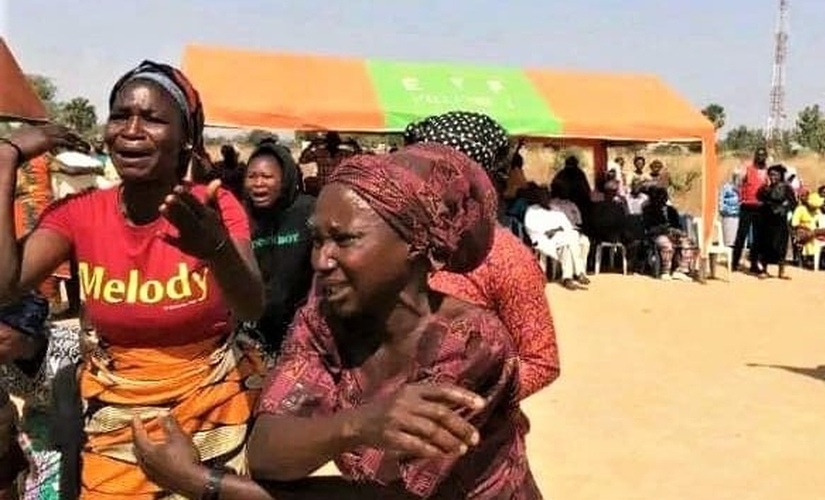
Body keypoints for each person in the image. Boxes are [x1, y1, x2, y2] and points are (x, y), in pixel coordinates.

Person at [131, 143, 543, 499]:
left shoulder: (471, 342)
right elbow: (267, 453)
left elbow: (384, 498)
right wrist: (355, 425)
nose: (320, 261)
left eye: (344, 239)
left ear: (418, 246)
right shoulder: (325, 319)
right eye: (317, 240)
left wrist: (201, 482)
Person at [0, 60, 266, 499]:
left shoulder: (211, 209)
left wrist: (215, 247)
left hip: (214, 412)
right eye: (121, 115)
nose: (132, 130)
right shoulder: (79, 213)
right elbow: (6, 284)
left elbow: (252, 305)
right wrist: (6, 157)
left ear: (185, 140)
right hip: (114, 425)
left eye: (154, 119)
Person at [406, 111, 559, 401]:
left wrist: (471, 404)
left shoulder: (505, 257)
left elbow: (540, 361)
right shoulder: (393, 237)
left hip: (470, 436)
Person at [240, 138, 315, 355]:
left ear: (284, 180)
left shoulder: (309, 211)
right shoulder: (241, 218)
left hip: (304, 335)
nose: (258, 183)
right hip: (257, 335)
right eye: (252, 176)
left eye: (267, 176)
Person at [525, 185, 590, 290]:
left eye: (547, 195)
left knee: (577, 240)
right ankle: (578, 272)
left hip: (561, 237)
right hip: (544, 239)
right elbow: (533, 230)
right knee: (570, 239)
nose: (545, 197)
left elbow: (567, 226)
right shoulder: (532, 211)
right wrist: (554, 231)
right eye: (542, 195)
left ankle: (568, 277)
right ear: (538, 197)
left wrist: (557, 230)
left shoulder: (555, 209)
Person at [642, 187, 697, 281]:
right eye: (660, 197)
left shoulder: (671, 210)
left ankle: (681, 270)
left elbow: (678, 225)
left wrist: (677, 231)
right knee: (667, 245)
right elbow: (648, 227)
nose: (663, 199)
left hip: (672, 234)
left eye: (664, 197)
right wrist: (663, 229)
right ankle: (665, 271)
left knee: (687, 243)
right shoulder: (648, 210)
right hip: (656, 235)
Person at [755, 165, 797, 279]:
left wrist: (785, 208)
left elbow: (793, 202)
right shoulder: (766, 187)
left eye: (776, 175)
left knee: (780, 245)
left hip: (780, 221)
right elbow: (759, 196)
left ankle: (781, 271)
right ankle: (764, 270)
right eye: (771, 174)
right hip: (766, 219)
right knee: (766, 245)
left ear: (781, 176)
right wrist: (767, 187)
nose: (773, 177)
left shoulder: (787, 187)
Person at [731, 146, 769, 273]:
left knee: (757, 237)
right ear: (755, 156)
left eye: (763, 155)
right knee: (741, 235)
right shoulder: (747, 169)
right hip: (747, 206)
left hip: (760, 208)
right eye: (759, 154)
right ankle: (734, 263)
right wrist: (741, 197)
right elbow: (737, 184)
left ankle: (753, 264)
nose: (761, 157)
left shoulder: (768, 172)